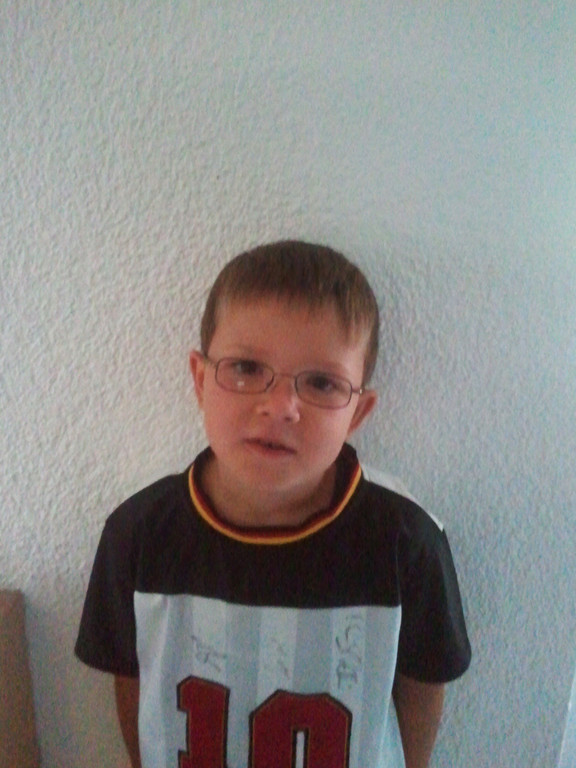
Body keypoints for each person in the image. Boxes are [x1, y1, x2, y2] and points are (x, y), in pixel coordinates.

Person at [75, 240, 471, 768]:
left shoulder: (407, 544)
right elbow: (134, 684)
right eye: (245, 367)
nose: (281, 407)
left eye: (322, 383)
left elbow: (423, 686)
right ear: (200, 380)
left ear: (357, 414)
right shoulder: (138, 534)